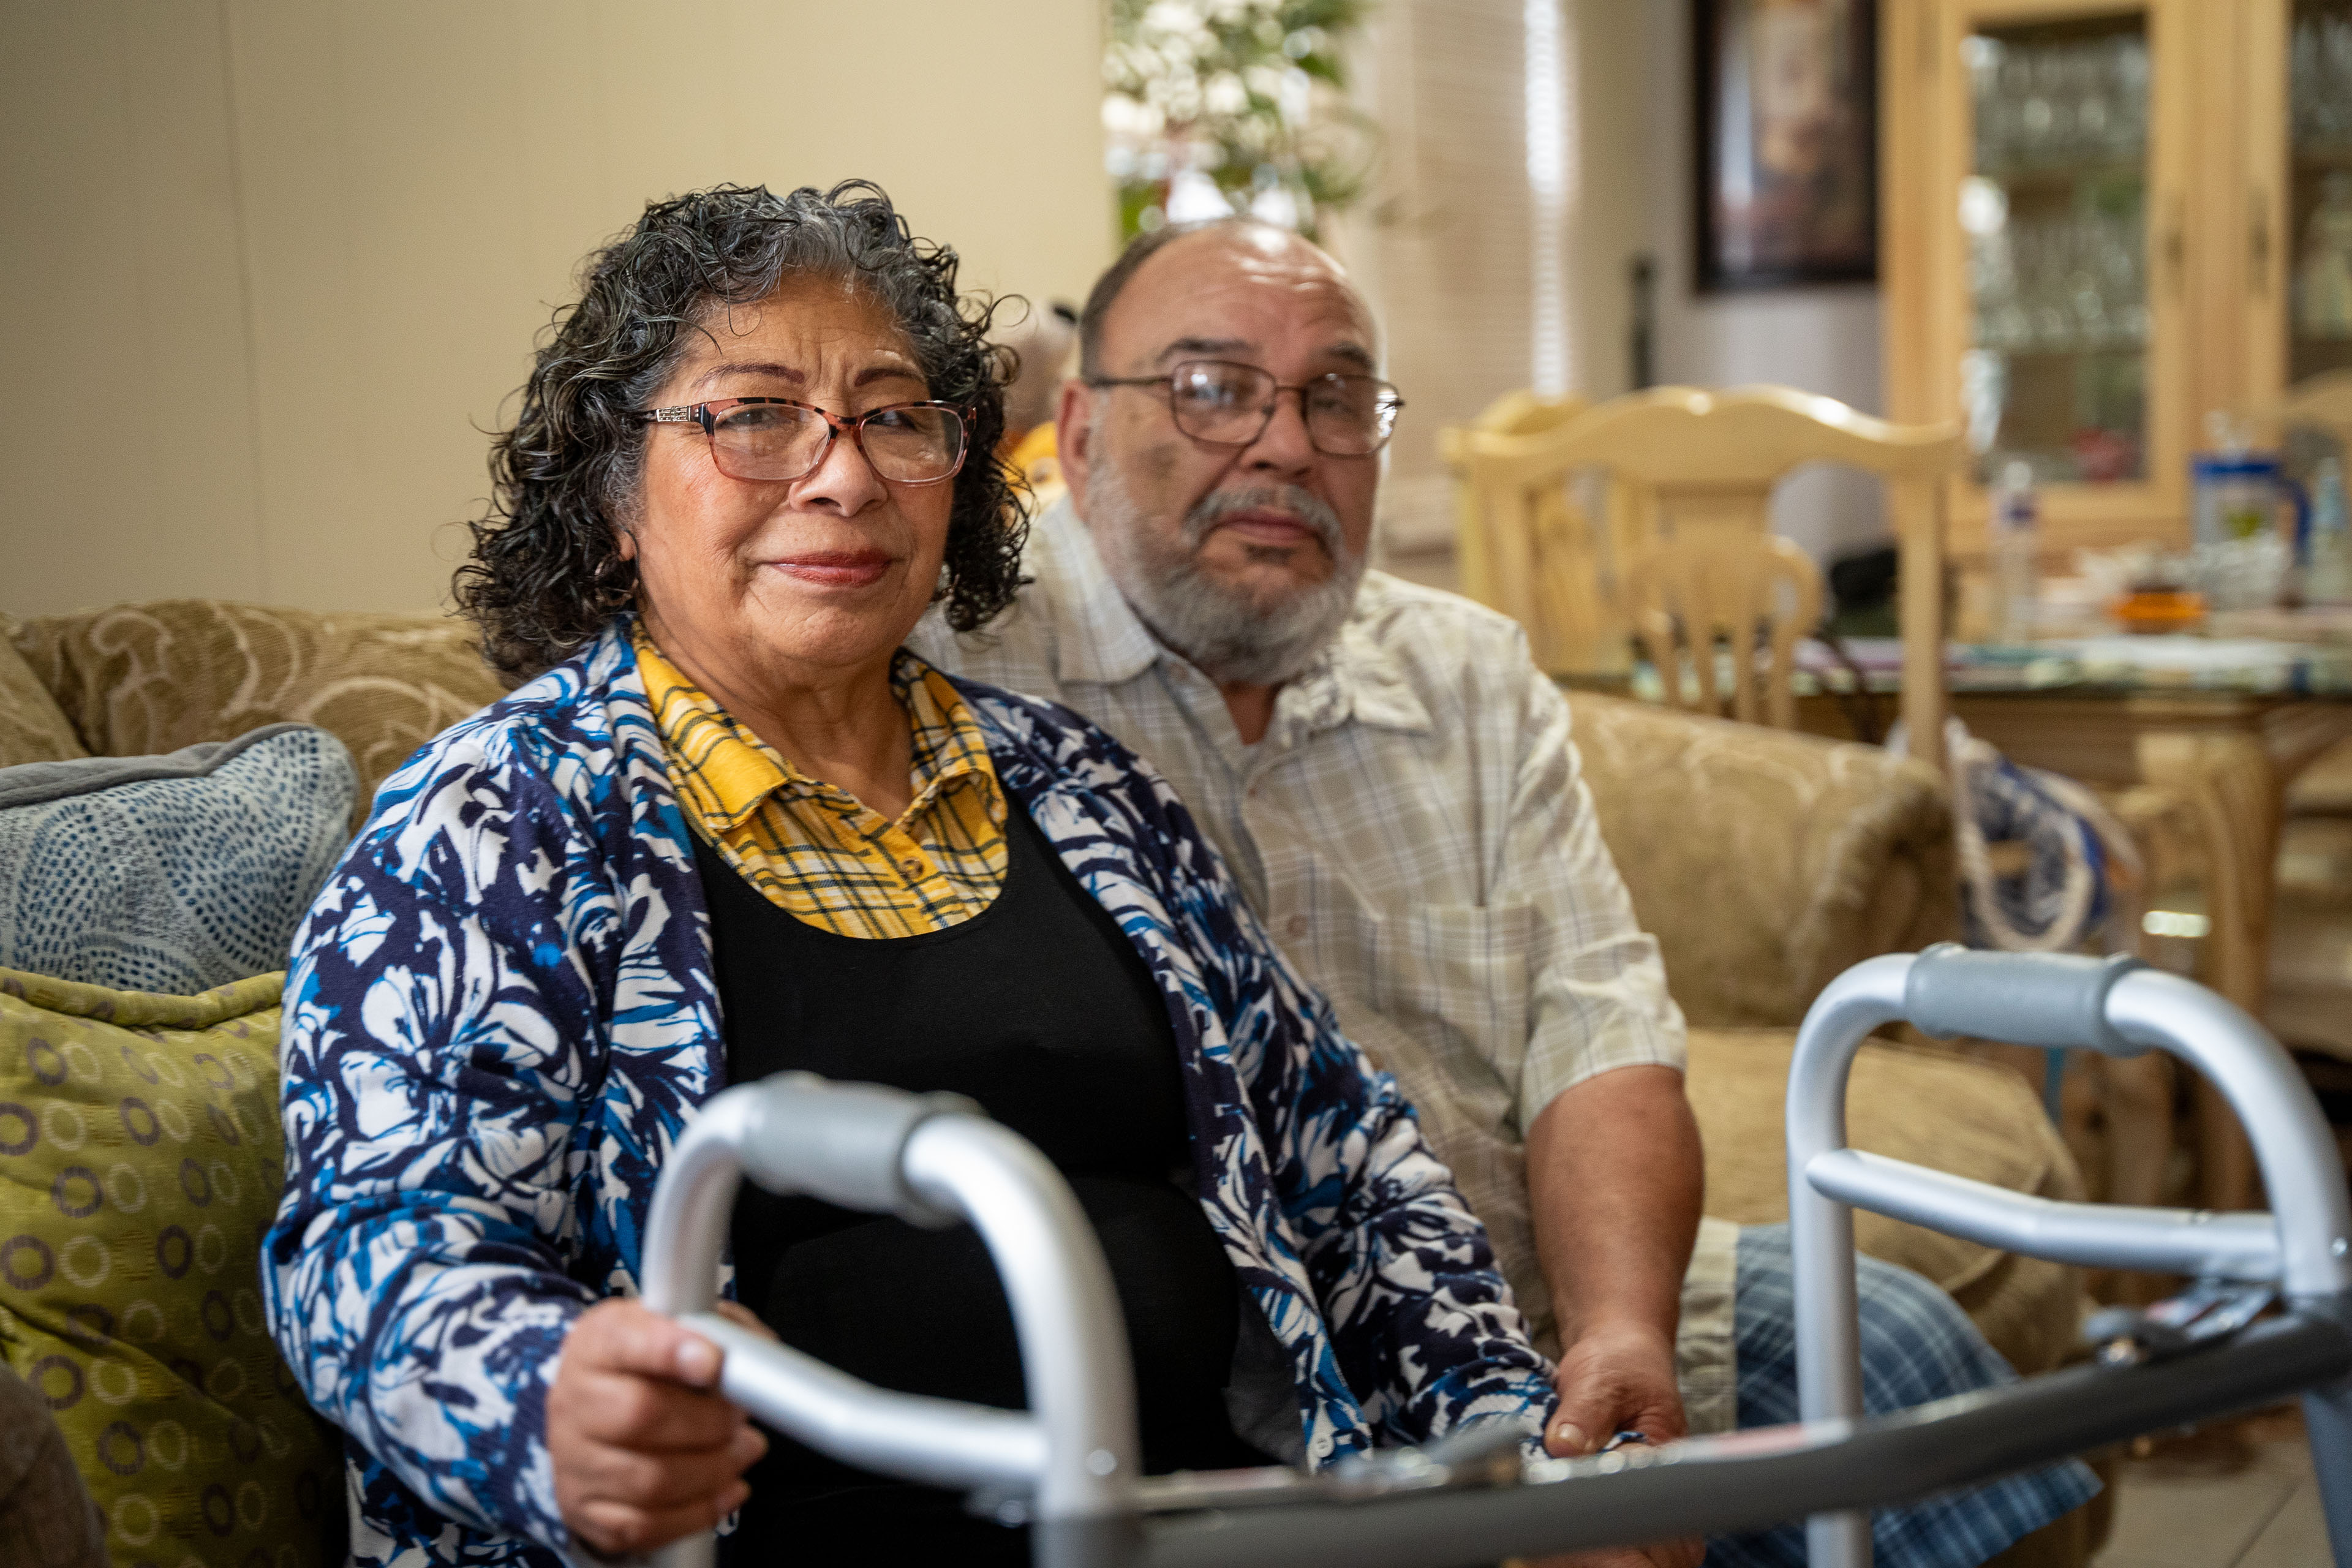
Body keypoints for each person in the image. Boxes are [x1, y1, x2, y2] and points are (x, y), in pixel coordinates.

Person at [260, 184, 1559, 1568]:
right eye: (753, 414)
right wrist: (544, 1396)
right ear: (616, 492)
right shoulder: (496, 819)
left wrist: (1519, 1448)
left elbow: (1350, 1164)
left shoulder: (1083, 785)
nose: (844, 476)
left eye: (895, 416)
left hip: (1191, 1524)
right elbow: (366, 1252)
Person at [910, 214, 2103, 1567]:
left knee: (1907, 1351)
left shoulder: (1468, 675)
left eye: (1338, 395)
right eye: (1212, 386)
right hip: (1252, 1387)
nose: (1287, 444)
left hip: (1533, 1304)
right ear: (1076, 431)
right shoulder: (959, 681)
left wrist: (1617, 1339)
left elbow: (1598, 1025)